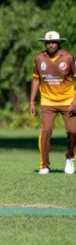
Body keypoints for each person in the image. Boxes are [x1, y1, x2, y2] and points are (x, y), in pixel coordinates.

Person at [29, 30, 76, 175]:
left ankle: (70, 157)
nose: (50, 45)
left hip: (68, 100)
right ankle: (44, 165)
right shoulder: (39, 59)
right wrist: (32, 101)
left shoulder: (68, 57)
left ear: (59, 43)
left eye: (53, 42)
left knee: (73, 131)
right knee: (46, 131)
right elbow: (36, 79)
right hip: (48, 101)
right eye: (48, 42)